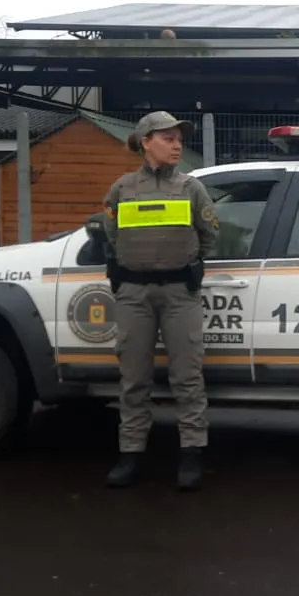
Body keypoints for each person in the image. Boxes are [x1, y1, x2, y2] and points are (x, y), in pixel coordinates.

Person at [97, 110, 219, 491]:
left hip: (180, 294)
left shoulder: (191, 188)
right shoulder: (121, 189)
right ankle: (130, 453)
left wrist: (184, 263)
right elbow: (110, 233)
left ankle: (192, 452)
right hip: (134, 295)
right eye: (168, 138)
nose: (177, 145)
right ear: (145, 142)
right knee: (134, 378)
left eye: (180, 139)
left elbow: (210, 235)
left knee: (187, 377)